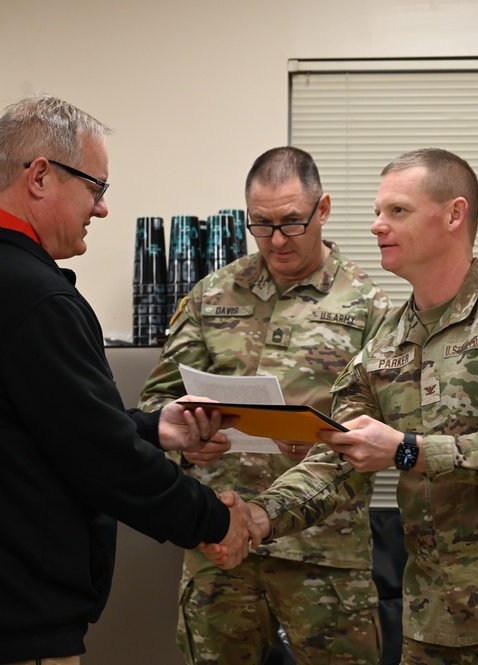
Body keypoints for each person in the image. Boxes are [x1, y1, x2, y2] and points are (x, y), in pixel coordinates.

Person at [0, 95, 257, 665]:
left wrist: (155, 429)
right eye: (96, 188)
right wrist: (216, 520)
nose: (101, 209)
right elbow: (101, 457)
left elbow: (29, 422)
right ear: (39, 177)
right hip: (4, 625)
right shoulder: (31, 296)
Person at [221, 148, 478, 663]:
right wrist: (258, 518)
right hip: (433, 627)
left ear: (454, 214)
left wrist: (408, 450)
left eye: (397, 211)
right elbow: (338, 453)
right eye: (378, 211)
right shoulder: (385, 342)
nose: (376, 226)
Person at [139, 146, 391, 664]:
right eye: (262, 224)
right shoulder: (213, 294)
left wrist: (326, 438)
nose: (277, 240)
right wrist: (189, 445)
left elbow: (385, 426)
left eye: (292, 223)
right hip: (220, 541)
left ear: (322, 210)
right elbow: (157, 400)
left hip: (324, 553)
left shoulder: (370, 306)